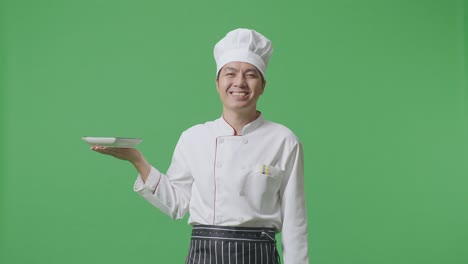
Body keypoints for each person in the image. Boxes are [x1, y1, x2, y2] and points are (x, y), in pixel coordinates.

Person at [91, 28, 309, 264]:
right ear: (217, 82)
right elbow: (177, 204)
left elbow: (294, 221)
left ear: (263, 85)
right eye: (230, 73)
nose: (239, 82)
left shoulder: (284, 140)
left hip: (258, 256)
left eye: (250, 74)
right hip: (204, 255)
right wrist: (137, 160)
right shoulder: (194, 138)